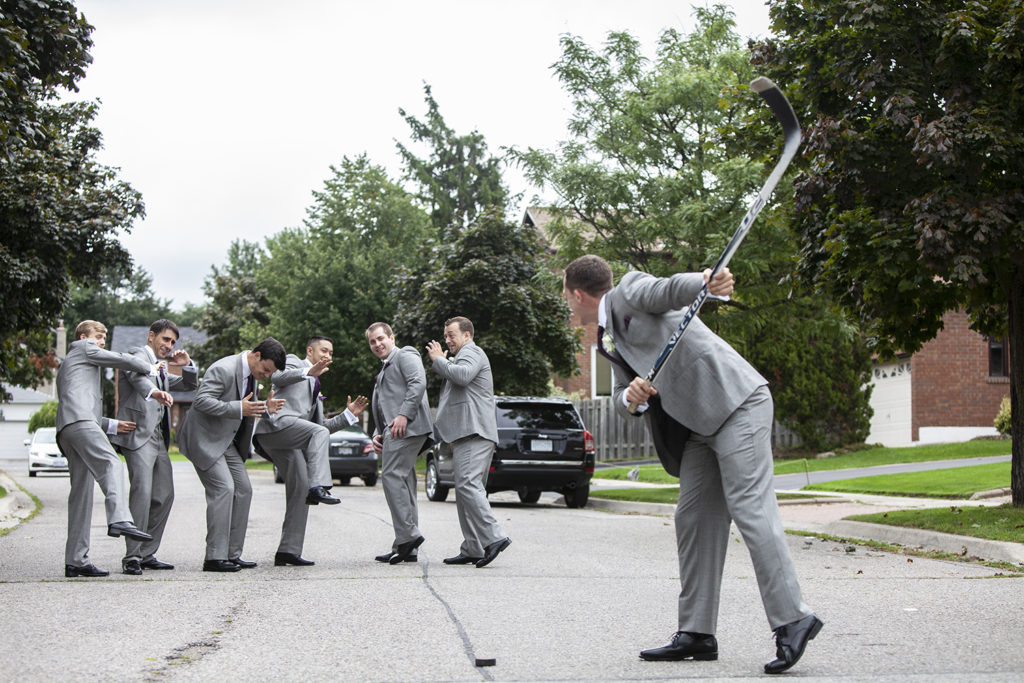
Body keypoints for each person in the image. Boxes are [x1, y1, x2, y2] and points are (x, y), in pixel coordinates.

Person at [562, 254, 822, 675]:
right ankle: (697, 633)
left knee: (750, 509)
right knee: (693, 518)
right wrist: (630, 397)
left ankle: (794, 618)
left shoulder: (629, 290)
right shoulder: (606, 339)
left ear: (577, 293)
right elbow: (620, 396)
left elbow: (665, 289)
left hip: (738, 403)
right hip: (699, 425)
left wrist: (703, 280)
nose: (569, 306)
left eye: (567, 297)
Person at [56, 320, 170, 578]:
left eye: (104, 338)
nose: (102, 342)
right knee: (112, 463)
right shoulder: (83, 347)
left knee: (81, 496)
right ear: (84, 336)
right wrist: (150, 368)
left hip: (69, 429)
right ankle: (120, 518)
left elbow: (79, 402)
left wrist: (113, 424)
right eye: (99, 336)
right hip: (82, 424)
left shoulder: (71, 365)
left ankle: (76, 560)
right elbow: (122, 359)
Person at [253, 335, 368, 566]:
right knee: (316, 443)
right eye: (324, 350)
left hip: (290, 439)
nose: (327, 356)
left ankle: (288, 551)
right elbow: (276, 375)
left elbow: (321, 427)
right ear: (310, 351)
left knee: (299, 489)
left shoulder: (317, 389)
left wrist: (347, 416)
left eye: (331, 353)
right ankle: (320, 486)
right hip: (275, 426)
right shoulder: (295, 362)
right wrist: (308, 372)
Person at [177, 338, 287, 572]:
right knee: (223, 489)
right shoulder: (223, 369)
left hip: (226, 441)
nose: (266, 375)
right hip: (204, 439)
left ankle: (232, 554)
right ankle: (214, 558)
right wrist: (239, 408)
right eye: (266, 369)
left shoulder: (251, 375)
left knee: (244, 489)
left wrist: (264, 408)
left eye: (270, 373)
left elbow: (246, 405)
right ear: (256, 355)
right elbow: (201, 401)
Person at [110, 319, 198, 575]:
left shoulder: (161, 369)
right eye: (165, 339)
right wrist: (155, 393)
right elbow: (138, 378)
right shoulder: (138, 355)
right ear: (152, 336)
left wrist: (187, 366)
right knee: (143, 492)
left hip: (158, 438)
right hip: (137, 434)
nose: (169, 345)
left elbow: (189, 385)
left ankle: (148, 553)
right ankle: (132, 556)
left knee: (165, 494)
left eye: (172, 342)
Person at [426, 316, 510, 568]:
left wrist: (439, 359)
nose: (447, 340)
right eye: (446, 335)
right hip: (465, 435)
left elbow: (461, 376)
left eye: (452, 334)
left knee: (468, 486)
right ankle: (473, 547)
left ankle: (494, 537)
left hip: (475, 434)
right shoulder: (462, 355)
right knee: (466, 492)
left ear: (467, 335)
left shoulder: (472, 352)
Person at [366, 322, 433, 565]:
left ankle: (408, 537)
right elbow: (384, 405)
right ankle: (406, 546)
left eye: (381, 338)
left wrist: (404, 414)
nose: (377, 344)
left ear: (392, 337)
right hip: (393, 430)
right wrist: (376, 432)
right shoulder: (384, 369)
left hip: (408, 427)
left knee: (392, 476)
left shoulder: (406, 354)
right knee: (405, 481)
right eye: (372, 342)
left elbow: (418, 382)